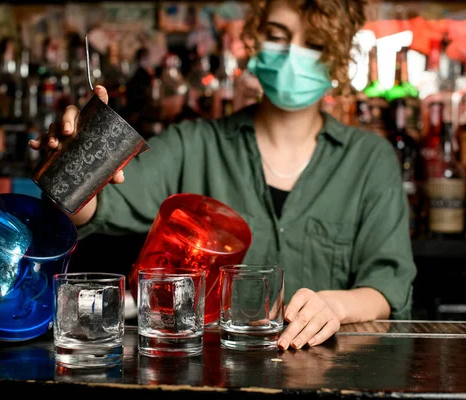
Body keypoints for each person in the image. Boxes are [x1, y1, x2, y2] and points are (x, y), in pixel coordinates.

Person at [30, 0, 417, 351]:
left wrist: (334, 304)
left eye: (313, 44)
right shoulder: (192, 144)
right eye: (278, 38)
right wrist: (73, 164)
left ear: (335, 57)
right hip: (207, 372)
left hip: (328, 374)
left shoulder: (371, 160)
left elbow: (389, 286)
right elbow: (92, 209)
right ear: (254, 41)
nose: (293, 55)